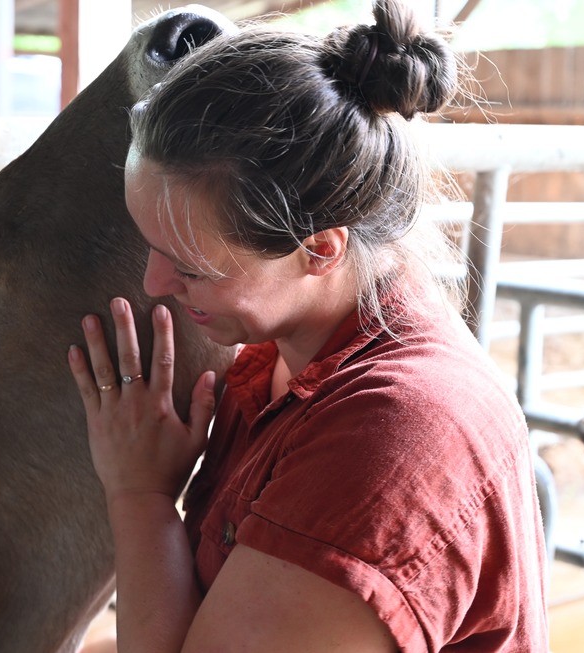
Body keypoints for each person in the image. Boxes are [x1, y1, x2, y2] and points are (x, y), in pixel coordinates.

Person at [67, 0, 549, 650]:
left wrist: (139, 495)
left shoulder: (391, 440)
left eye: (192, 264)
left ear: (320, 248)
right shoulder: (285, 353)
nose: (155, 283)